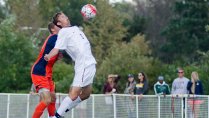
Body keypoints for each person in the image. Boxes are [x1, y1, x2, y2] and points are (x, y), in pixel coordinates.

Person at [44, 12, 97, 118]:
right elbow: (57, 48)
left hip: (90, 63)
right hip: (83, 64)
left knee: (86, 94)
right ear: (59, 23)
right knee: (74, 93)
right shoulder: (63, 32)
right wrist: (49, 56)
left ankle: (60, 113)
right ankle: (56, 116)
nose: (66, 17)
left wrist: (87, 17)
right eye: (63, 17)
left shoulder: (75, 28)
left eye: (65, 15)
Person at [31, 22, 60, 118]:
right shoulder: (54, 37)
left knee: (52, 98)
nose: (61, 27)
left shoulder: (55, 39)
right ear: (53, 29)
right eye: (58, 26)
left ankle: (52, 116)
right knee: (46, 99)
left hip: (47, 73)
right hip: (40, 72)